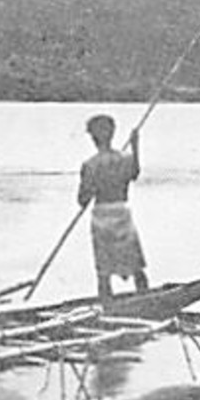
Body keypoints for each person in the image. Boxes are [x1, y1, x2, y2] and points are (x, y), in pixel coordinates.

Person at [77, 114, 149, 300]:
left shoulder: (90, 165)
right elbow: (134, 174)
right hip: (122, 214)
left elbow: (82, 200)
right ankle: (145, 299)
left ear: (93, 138)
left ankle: (107, 303)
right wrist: (135, 147)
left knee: (104, 269)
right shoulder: (125, 159)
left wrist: (92, 188)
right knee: (135, 265)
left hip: (101, 217)